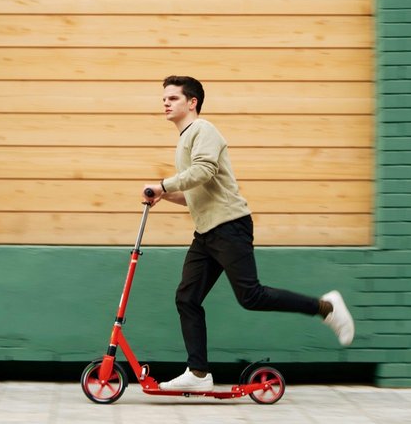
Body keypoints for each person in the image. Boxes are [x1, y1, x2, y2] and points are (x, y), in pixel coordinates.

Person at [142, 74, 355, 392]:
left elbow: (204, 171)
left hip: (230, 225)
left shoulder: (203, 130)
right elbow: (195, 193)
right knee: (187, 297)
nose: (165, 103)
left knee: (251, 296)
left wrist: (162, 184)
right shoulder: (186, 138)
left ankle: (326, 307)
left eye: (172, 98)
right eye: (164, 99)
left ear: (192, 102)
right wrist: (165, 195)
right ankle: (198, 374)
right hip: (206, 232)